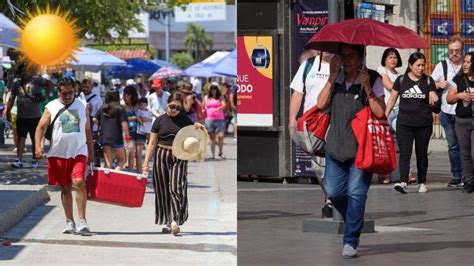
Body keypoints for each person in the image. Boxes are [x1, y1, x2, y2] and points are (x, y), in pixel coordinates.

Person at [317, 44, 385, 258]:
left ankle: (350, 240)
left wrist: (367, 88)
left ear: (361, 58)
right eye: (343, 56)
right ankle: (355, 220)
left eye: (351, 56)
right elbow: (320, 104)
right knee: (333, 191)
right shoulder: (335, 77)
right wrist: (332, 76)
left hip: (361, 149)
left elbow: (380, 111)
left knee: (356, 193)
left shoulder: (373, 78)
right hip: (335, 147)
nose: (346, 61)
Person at [34, 78, 94, 234]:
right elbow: (40, 128)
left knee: (79, 182)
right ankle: (69, 221)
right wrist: (37, 147)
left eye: (70, 92)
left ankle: (82, 221)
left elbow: (87, 130)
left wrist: (91, 153)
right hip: (58, 154)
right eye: (64, 93)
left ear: (74, 90)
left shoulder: (82, 105)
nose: (67, 96)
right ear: (58, 91)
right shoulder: (51, 106)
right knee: (65, 188)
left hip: (79, 151)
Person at [142, 91, 206, 235]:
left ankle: (175, 220)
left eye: (177, 107)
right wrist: (146, 162)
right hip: (161, 155)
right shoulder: (159, 121)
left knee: (177, 187)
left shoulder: (186, 121)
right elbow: (152, 143)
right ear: (167, 104)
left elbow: (195, 138)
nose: (174, 110)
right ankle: (167, 221)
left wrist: (197, 127)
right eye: (172, 106)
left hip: (179, 156)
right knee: (162, 189)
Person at [289, 50, 334, 218]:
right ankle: (330, 194)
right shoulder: (309, 65)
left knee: (334, 161)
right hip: (312, 125)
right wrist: (292, 119)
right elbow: (297, 93)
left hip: (334, 122)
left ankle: (331, 200)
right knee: (318, 168)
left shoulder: (342, 65)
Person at [386, 52, 439, 194]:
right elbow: (392, 99)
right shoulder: (401, 80)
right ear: (410, 65)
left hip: (423, 124)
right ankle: (403, 182)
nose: (421, 68)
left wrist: (434, 96)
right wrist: (385, 115)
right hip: (404, 123)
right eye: (418, 65)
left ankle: (422, 182)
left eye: (423, 65)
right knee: (404, 153)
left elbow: (435, 103)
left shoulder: (428, 81)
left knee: (421, 154)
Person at [376, 48, 416, 185]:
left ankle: (407, 172)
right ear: (385, 60)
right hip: (386, 110)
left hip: (399, 111)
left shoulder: (400, 75)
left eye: (395, 57)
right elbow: (389, 86)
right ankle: (384, 173)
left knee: (403, 141)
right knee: (384, 143)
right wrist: (404, 87)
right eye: (390, 57)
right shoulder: (381, 70)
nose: (393, 60)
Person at [431, 36, 465, 187]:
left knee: (465, 145)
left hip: (464, 112)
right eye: (451, 51)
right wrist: (438, 84)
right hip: (447, 112)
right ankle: (456, 176)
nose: (454, 53)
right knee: (452, 146)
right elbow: (429, 84)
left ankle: (467, 176)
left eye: (457, 50)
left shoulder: (468, 65)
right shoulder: (442, 66)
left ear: (462, 51)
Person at [5, 65, 53, 168]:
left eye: (25, 70)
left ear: (29, 70)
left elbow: (50, 84)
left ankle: (34, 160)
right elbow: (11, 98)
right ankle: (19, 160)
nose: (24, 72)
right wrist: (8, 111)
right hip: (21, 116)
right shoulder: (17, 84)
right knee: (21, 138)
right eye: (22, 70)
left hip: (35, 116)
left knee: (34, 138)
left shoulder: (37, 80)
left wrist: (45, 96)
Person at [446, 52, 474, 193]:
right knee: (466, 153)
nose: (466, 64)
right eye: (465, 62)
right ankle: (469, 182)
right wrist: (459, 95)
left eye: (469, 62)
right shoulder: (458, 80)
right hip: (462, 121)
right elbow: (449, 99)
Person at [93, 89, 130, 170]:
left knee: (108, 163)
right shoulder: (120, 108)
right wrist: (127, 137)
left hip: (104, 138)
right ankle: (116, 173)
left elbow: (94, 119)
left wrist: (101, 123)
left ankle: (106, 181)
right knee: (121, 159)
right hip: (116, 138)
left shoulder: (103, 107)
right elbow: (124, 123)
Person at [122, 85, 146, 172]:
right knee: (131, 153)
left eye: (124, 95)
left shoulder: (139, 105)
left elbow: (146, 114)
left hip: (140, 132)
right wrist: (133, 118)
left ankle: (139, 175)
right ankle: (131, 174)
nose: (123, 97)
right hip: (129, 132)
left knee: (138, 155)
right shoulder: (123, 107)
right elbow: (122, 120)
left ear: (130, 96)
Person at [203, 82, 227, 159]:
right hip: (209, 119)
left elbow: (224, 105)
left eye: (215, 89)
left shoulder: (220, 97)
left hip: (219, 119)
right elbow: (203, 106)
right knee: (212, 137)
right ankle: (212, 154)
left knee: (220, 136)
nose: (213, 90)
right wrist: (204, 110)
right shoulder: (206, 97)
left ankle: (220, 152)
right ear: (210, 90)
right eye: (212, 89)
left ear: (217, 90)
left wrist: (219, 108)